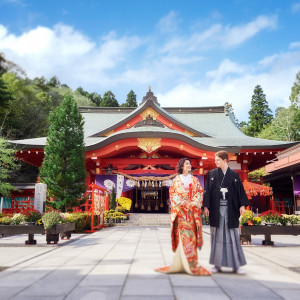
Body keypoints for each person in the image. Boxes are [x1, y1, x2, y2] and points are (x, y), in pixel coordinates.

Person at [155, 158, 210, 276]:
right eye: (187, 164)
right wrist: (182, 202)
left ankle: (191, 263)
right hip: (181, 213)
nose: (189, 165)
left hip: (191, 212)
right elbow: (173, 193)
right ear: (181, 166)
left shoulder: (195, 180)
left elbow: (199, 192)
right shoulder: (176, 180)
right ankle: (181, 262)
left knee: (191, 237)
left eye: (190, 164)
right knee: (182, 237)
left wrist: (194, 202)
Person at [203, 150, 249, 274]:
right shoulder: (212, 174)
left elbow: (240, 191)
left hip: (230, 209)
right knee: (216, 236)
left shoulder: (234, 175)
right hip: (216, 210)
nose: (215, 162)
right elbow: (207, 191)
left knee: (232, 236)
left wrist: (242, 205)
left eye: (218, 160)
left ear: (225, 160)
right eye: (215, 160)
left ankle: (236, 265)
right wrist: (206, 206)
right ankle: (217, 265)